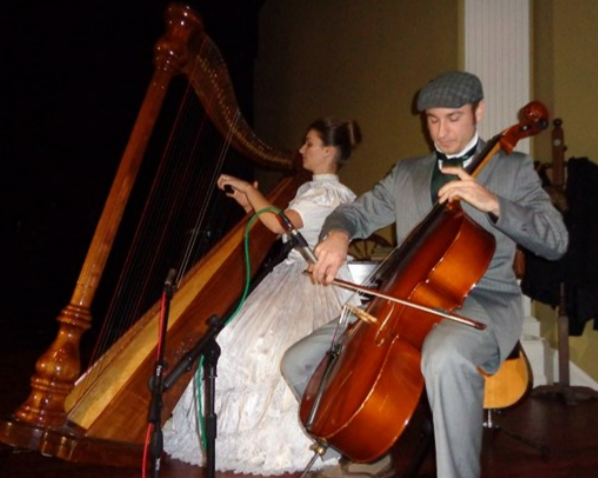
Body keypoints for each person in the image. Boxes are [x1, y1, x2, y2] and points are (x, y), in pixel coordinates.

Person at [281, 71, 569, 478]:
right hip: (403, 300)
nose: (442, 132)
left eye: (454, 118)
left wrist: (492, 202)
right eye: (433, 120)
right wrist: (338, 234)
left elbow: (556, 241)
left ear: (479, 112)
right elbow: (354, 213)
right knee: (298, 361)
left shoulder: (512, 169)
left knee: (445, 354)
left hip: (481, 301)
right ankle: (363, 453)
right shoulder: (407, 173)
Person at [163, 117, 362, 474]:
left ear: (329, 151)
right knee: (231, 338)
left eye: (309, 143)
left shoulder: (328, 194)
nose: (301, 149)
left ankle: (302, 435)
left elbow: (278, 223)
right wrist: (248, 202)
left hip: (316, 282)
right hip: (293, 275)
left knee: (267, 348)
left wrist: (248, 189)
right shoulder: (313, 190)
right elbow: (284, 228)